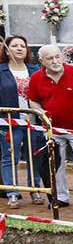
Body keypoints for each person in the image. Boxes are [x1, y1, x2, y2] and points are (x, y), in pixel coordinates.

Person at [28, 44, 73, 208]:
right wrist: (40, 112)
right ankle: (61, 196)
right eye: (50, 58)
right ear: (42, 61)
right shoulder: (36, 78)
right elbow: (33, 99)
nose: (55, 61)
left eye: (57, 56)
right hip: (53, 129)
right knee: (56, 163)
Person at [0, 35, 48, 206]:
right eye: (15, 46)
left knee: (34, 156)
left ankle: (34, 189)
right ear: (7, 50)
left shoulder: (35, 70)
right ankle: (12, 191)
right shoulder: (1, 70)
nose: (19, 48)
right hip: (9, 122)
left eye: (23, 45)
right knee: (10, 156)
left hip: (33, 121)